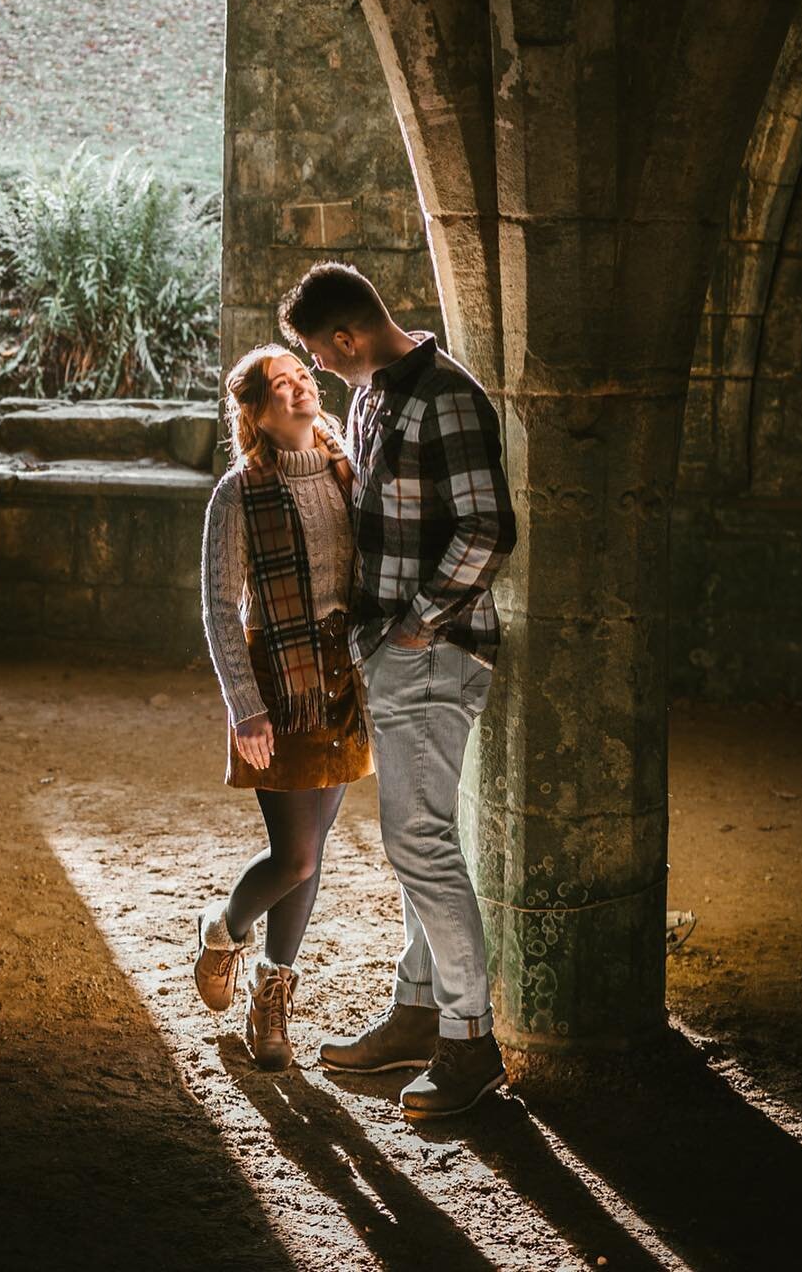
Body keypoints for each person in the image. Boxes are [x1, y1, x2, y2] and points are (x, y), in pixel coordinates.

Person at [279, 262, 518, 1121]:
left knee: (417, 840)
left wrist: (417, 622)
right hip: (391, 651)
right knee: (423, 831)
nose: (324, 370)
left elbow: (491, 526)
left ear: (348, 336)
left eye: (321, 354)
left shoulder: (447, 396)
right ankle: (419, 1010)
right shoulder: (375, 393)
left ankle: (469, 1040)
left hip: (435, 650)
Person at [193, 343, 373, 1072]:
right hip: (279, 683)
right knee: (296, 854)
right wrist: (245, 705)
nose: (301, 388)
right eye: (282, 385)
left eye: (303, 376)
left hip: (341, 678)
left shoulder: (345, 469)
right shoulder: (237, 494)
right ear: (258, 413)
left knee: (313, 850)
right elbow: (217, 606)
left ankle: (272, 1002)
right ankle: (222, 928)